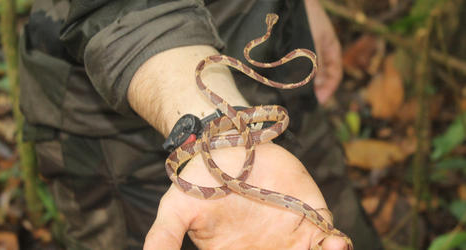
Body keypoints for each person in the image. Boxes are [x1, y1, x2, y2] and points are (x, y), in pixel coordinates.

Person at [19, 0, 383, 249]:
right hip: (124, 134)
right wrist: (213, 126)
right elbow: (122, 12)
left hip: (279, 89)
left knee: (330, 227)